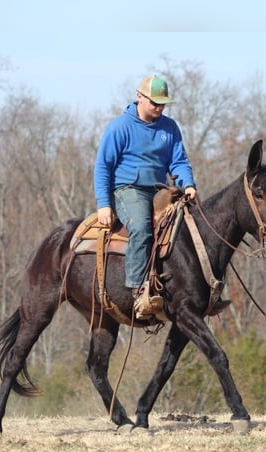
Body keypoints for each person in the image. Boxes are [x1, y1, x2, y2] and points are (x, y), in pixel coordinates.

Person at [93, 74, 197, 320]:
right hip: (128, 190)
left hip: (160, 190)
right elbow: (103, 167)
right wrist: (104, 205)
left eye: (163, 103)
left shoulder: (169, 128)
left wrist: (188, 184)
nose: (159, 108)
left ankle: (196, 292)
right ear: (139, 97)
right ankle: (139, 291)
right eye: (154, 102)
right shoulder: (119, 127)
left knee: (189, 223)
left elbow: (179, 161)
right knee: (142, 226)